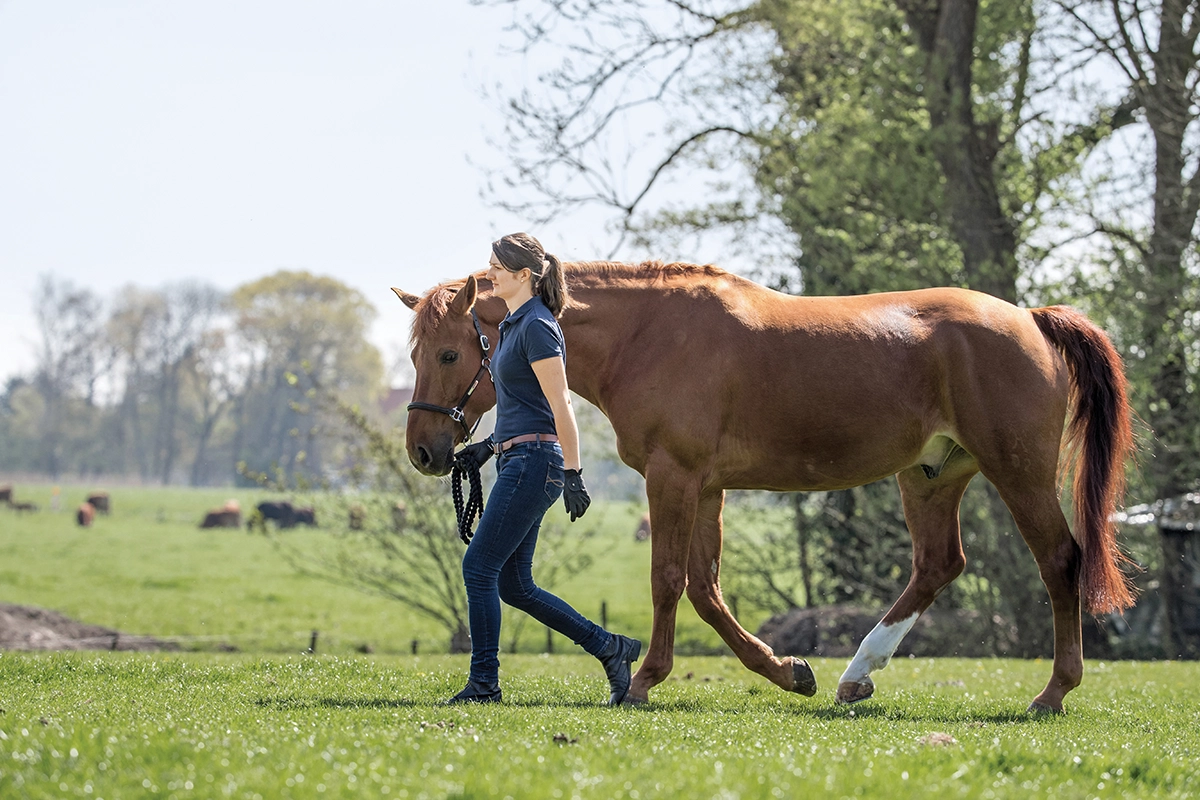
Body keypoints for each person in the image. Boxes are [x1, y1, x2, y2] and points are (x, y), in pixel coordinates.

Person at [448, 232, 641, 706]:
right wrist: (487, 448)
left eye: (496, 266)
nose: (488, 273)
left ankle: (484, 684)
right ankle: (610, 648)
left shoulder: (538, 326)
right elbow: (523, 406)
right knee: (514, 584)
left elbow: (560, 404)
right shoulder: (514, 326)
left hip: (537, 462)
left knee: (479, 568)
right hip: (517, 457)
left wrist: (573, 473)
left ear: (522, 276)